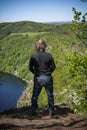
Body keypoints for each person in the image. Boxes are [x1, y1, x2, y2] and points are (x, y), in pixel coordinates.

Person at [29, 39, 56, 116]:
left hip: (38, 78)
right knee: (50, 95)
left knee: (35, 95)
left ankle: (33, 110)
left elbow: (30, 68)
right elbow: (53, 67)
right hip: (48, 77)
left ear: (37, 47)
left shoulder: (34, 56)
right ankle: (51, 111)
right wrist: (48, 72)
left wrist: (36, 73)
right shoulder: (49, 56)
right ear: (45, 46)